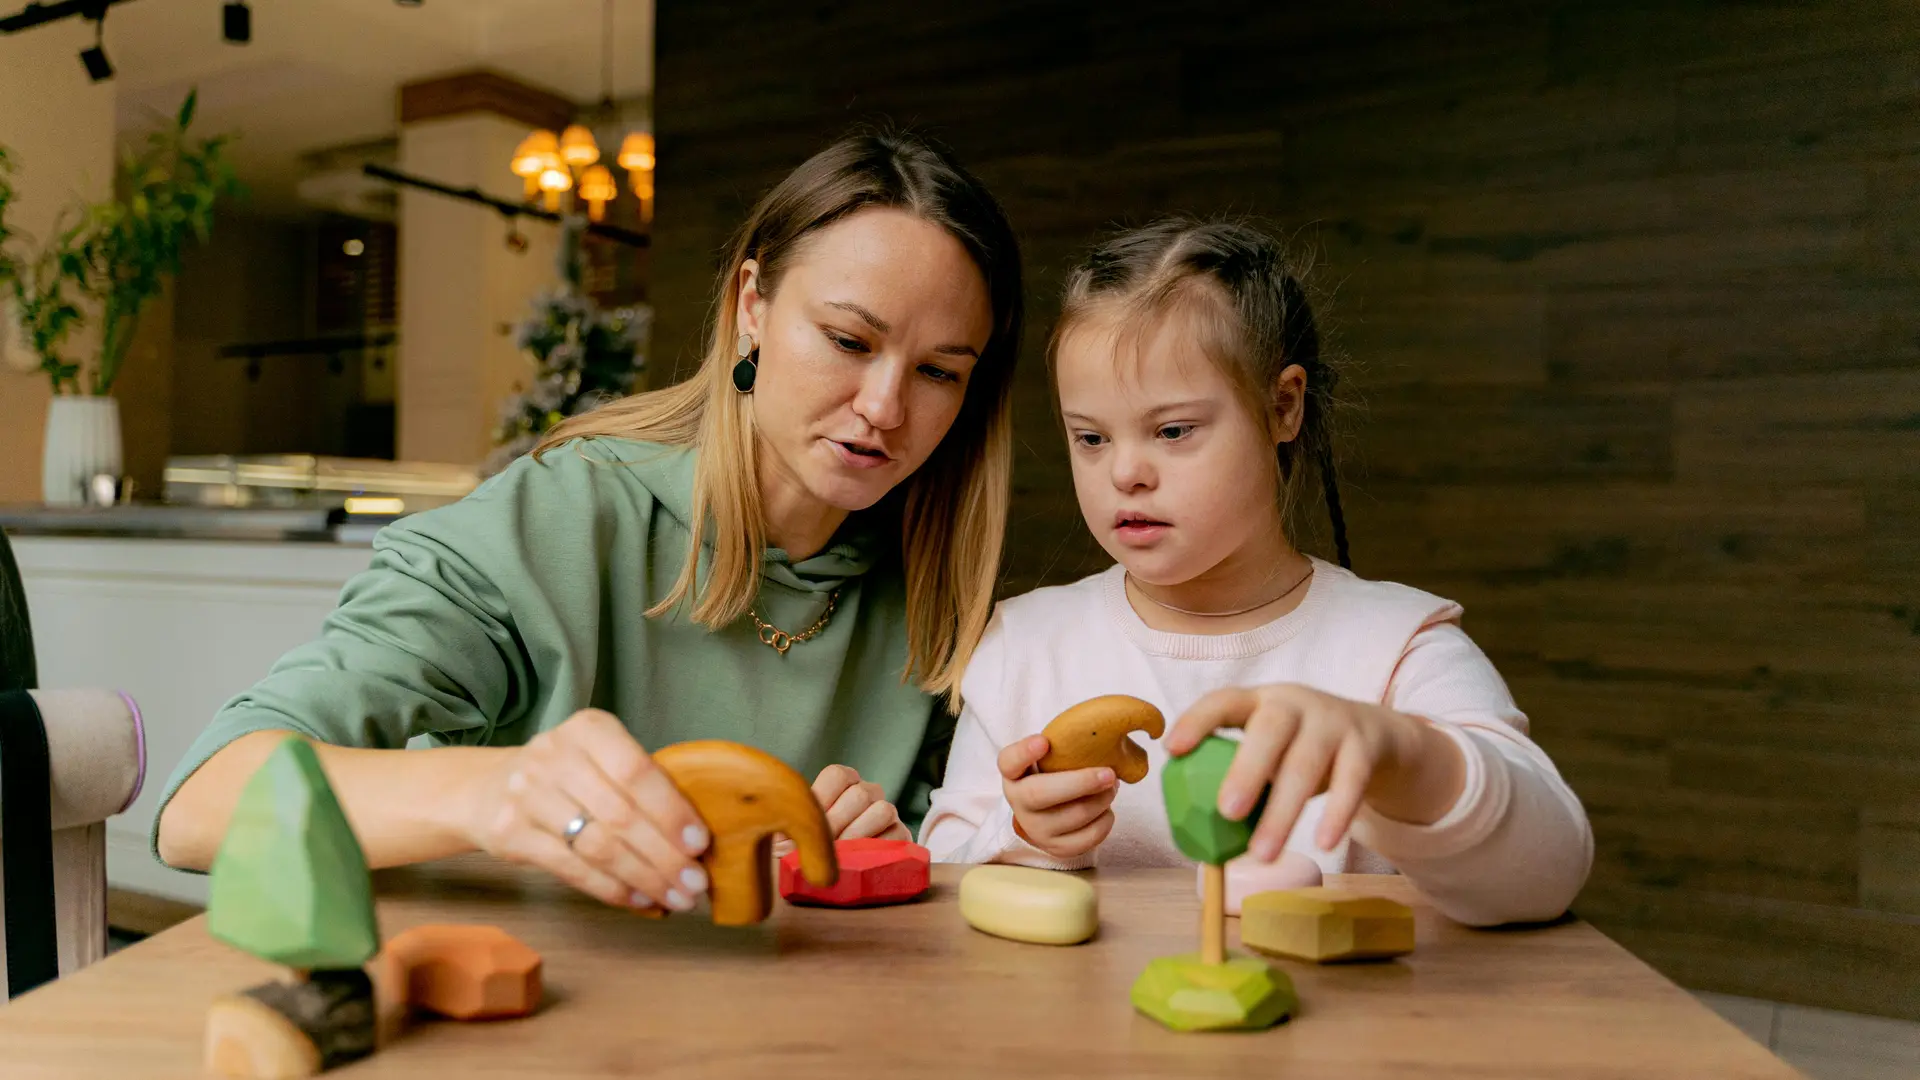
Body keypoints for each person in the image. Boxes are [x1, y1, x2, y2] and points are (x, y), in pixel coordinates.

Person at [155, 131, 1025, 915]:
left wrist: (876, 852)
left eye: (938, 373)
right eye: (848, 341)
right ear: (751, 307)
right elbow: (203, 806)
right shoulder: (556, 521)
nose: (884, 408)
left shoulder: (938, 599)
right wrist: (497, 792)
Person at [918, 217, 1592, 926]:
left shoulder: (1398, 648)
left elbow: (1547, 877)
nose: (1125, 473)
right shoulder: (1023, 646)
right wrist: (1022, 834)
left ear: (1282, 406)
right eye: (1091, 437)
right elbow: (940, 883)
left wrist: (1404, 756)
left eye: (1173, 431)